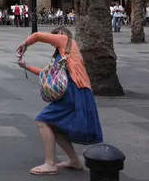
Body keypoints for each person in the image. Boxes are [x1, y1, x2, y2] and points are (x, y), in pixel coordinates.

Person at [16, 26, 103, 175]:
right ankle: (74, 161)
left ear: (64, 34)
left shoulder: (66, 41)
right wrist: (27, 67)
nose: (54, 39)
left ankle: (50, 164)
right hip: (76, 92)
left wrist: (25, 44)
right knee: (54, 126)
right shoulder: (64, 54)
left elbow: (37, 35)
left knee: (42, 120)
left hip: (75, 92)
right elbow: (49, 75)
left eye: (56, 35)